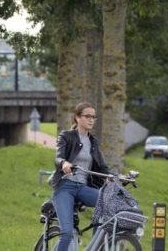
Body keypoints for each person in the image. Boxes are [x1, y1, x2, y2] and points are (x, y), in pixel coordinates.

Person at [49, 102, 112, 251]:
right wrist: (64, 163)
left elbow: (103, 167)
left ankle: (94, 246)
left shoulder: (93, 142)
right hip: (65, 188)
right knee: (67, 233)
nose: (91, 120)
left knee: (107, 202)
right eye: (87, 116)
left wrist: (115, 176)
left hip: (83, 188)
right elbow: (58, 157)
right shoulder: (66, 136)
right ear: (77, 118)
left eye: (93, 117)